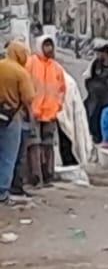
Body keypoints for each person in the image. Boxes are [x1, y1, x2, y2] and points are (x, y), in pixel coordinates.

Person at [24, 36, 67, 187]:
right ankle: (35, 178)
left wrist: (58, 106)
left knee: (48, 145)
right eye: (46, 45)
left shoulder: (56, 67)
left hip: (50, 113)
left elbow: (62, 89)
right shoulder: (31, 63)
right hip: (33, 112)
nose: (49, 49)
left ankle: (48, 176)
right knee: (34, 145)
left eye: (51, 45)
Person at [0, 41, 36, 206]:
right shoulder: (21, 72)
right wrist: (31, 117)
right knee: (9, 156)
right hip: (11, 117)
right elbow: (28, 98)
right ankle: (2, 192)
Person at [84, 44, 108, 143]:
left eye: (99, 53)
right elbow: (89, 78)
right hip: (96, 94)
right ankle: (94, 133)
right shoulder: (96, 64)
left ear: (105, 53)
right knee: (88, 108)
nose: (97, 55)